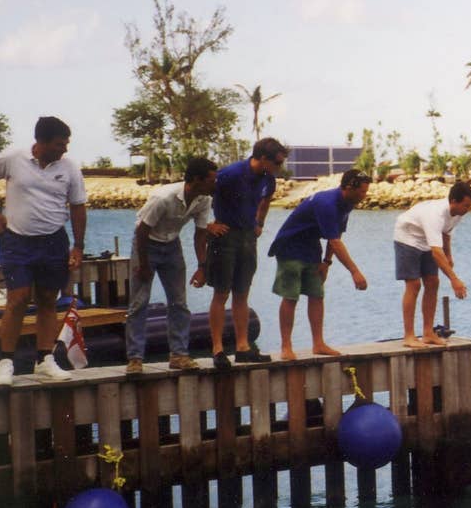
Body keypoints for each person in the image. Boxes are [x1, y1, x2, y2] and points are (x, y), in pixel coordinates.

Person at [0, 116, 86, 384]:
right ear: (40, 142)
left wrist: (78, 246)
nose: (64, 149)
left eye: (66, 144)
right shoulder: (13, 158)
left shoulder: (70, 168)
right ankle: (5, 362)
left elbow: (77, 206)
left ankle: (44, 359)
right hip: (17, 241)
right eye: (59, 144)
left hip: (54, 241)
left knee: (48, 300)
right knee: (17, 299)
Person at [125, 157, 226, 374]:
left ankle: (179, 355)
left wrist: (202, 266)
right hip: (146, 244)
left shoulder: (203, 199)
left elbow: (200, 235)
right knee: (139, 302)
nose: (214, 184)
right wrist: (143, 264)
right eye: (211, 180)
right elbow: (142, 231)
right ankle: (135, 359)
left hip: (172, 245)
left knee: (179, 302)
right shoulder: (164, 198)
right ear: (197, 180)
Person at [268, 169, 370, 360]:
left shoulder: (348, 203)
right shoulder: (327, 203)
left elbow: (336, 235)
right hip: (290, 246)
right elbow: (335, 242)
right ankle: (286, 346)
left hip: (311, 247)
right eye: (362, 192)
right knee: (291, 296)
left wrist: (327, 262)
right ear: (349, 187)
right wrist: (355, 272)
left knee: (317, 294)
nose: (365, 196)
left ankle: (318, 343)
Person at [207, 137, 289, 369]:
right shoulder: (230, 174)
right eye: (277, 162)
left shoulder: (268, 179)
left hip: (247, 236)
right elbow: (203, 194)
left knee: (242, 292)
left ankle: (243, 347)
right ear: (263, 158)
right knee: (221, 293)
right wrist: (208, 224)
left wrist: (259, 223)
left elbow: (266, 201)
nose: (279, 167)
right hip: (225, 235)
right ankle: (218, 349)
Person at [394, 181, 471, 348]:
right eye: (466, 205)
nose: (469, 209)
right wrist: (454, 280)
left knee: (433, 282)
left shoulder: (458, 213)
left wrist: (449, 255)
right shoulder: (435, 214)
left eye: (470, 205)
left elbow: (446, 234)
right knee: (414, 284)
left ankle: (428, 333)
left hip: (427, 241)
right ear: (454, 201)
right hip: (407, 237)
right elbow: (436, 252)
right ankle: (409, 336)